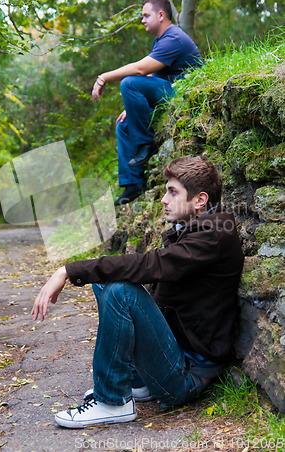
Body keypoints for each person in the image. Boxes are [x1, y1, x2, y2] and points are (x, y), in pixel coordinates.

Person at [32, 155, 244, 428]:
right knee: (106, 281)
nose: (163, 200)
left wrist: (68, 271)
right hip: (175, 356)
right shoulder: (196, 229)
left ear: (200, 200)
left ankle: (112, 402)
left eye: (172, 192)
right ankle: (136, 382)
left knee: (121, 290)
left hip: (185, 379)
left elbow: (152, 265)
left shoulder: (211, 237)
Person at [92, 0, 202, 206]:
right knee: (123, 125)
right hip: (170, 89)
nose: (142, 20)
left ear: (161, 15)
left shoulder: (173, 38)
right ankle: (132, 183)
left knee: (129, 82)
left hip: (184, 93)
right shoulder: (160, 40)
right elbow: (154, 76)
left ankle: (145, 144)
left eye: (146, 15)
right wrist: (130, 108)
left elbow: (141, 69)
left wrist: (104, 77)